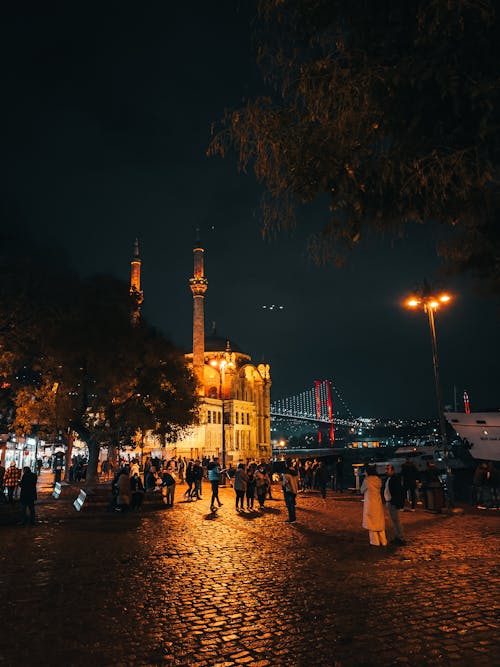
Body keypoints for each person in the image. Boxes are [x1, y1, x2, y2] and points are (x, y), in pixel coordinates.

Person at [360, 465, 387, 546]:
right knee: (379, 522)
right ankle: (383, 540)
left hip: (370, 503)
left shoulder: (367, 480)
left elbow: (362, 490)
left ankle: (375, 542)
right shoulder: (378, 480)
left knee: (371, 523)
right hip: (378, 503)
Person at [384, 464, 406, 545]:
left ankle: (400, 537)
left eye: (388, 469)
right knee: (395, 520)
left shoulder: (394, 479)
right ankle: (398, 536)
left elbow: (397, 492)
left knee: (396, 520)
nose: (386, 471)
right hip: (390, 501)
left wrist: (395, 502)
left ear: (392, 470)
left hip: (392, 502)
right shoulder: (390, 478)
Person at [282, 458, 299, 523]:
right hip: (294, 489)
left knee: (289, 505)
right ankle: (293, 517)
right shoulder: (295, 471)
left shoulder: (286, 473)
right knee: (292, 504)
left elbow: (285, 482)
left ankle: (291, 518)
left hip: (288, 490)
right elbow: (297, 480)